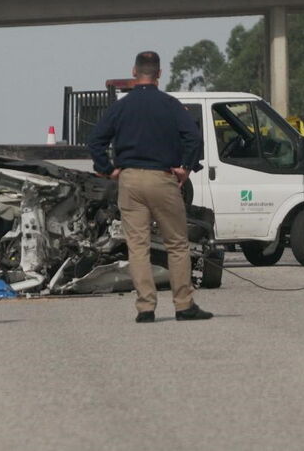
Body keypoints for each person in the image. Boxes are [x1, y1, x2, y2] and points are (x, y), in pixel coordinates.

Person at [88, 51, 213, 323]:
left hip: (130, 180)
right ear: (159, 73)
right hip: (163, 179)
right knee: (177, 245)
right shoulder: (170, 105)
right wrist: (186, 167)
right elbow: (193, 138)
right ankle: (183, 305)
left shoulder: (121, 106)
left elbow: (95, 140)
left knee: (137, 246)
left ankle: (146, 307)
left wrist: (109, 169)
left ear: (135, 72)